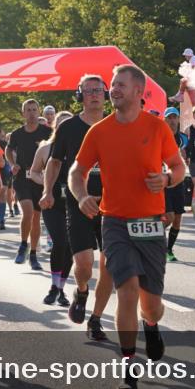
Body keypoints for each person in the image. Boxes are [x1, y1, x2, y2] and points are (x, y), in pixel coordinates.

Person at [69, 65, 185, 389]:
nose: (113, 90)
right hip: (115, 221)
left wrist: (165, 179)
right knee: (127, 290)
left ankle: (151, 324)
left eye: (120, 85)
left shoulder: (157, 127)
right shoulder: (100, 131)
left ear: (138, 91)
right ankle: (129, 365)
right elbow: (77, 171)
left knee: (151, 304)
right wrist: (81, 197)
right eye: (112, 85)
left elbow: (179, 168)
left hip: (149, 223)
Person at [42, 75, 115, 341]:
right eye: (89, 91)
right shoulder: (69, 127)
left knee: (109, 267)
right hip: (78, 203)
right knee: (84, 264)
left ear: (105, 95)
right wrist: (47, 190)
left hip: (113, 205)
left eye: (99, 90)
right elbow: (55, 162)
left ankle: (95, 319)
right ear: (80, 95)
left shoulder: (116, 124)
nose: (94, 95)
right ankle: (81, 290)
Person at [30, 110, 74, 306]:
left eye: (69, 123)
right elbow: (33, 172)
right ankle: (53, 286)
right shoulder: (45, 148)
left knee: (71, 248)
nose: (65, 127)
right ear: (55, 126)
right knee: (60, 242)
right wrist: (48, 185)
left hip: (74, 203)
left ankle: (61, 288)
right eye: (62, 123)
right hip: (51, 203)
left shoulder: (79, 147)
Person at [6, 100, 52, 270]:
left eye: (34, 110)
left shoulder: (47, 132)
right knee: (27, 211)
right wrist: (12, 164)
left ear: (38, 111)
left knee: (36, 218)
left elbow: (55, 151)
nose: (32, 113)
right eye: (28, 110)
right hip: (22, 178)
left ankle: (33, 254)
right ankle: (23, 245)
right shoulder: (17, 134)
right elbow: (8, 150)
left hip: (40, 179)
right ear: (23, 113)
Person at [162, 107, 189, 262]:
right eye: (169, 118)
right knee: (169, 217)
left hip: (179, 181)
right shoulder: (160, 136)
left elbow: (187, 156)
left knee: (177, 219)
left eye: (174, 118)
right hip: (165, 181)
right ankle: (153, 237)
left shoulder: (183, 139)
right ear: (165, 120)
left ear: (178, 120)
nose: (172, 121)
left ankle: (168, 250)